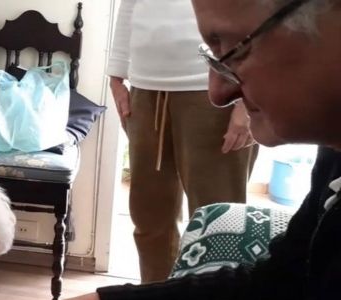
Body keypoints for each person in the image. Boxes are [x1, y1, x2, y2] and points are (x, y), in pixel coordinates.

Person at [1, 0, 341, 300]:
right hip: (149, 83)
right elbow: (278, 289)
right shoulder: (333, 154)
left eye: (233, 50)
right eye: (212, 53)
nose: (219, 92)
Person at [107, 0, 259, 283]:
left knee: (218, 222)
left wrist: (246, 100)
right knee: (149, 219)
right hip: (145, 87)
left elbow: (263, 12)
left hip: (213, 87)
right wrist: (116, 76)